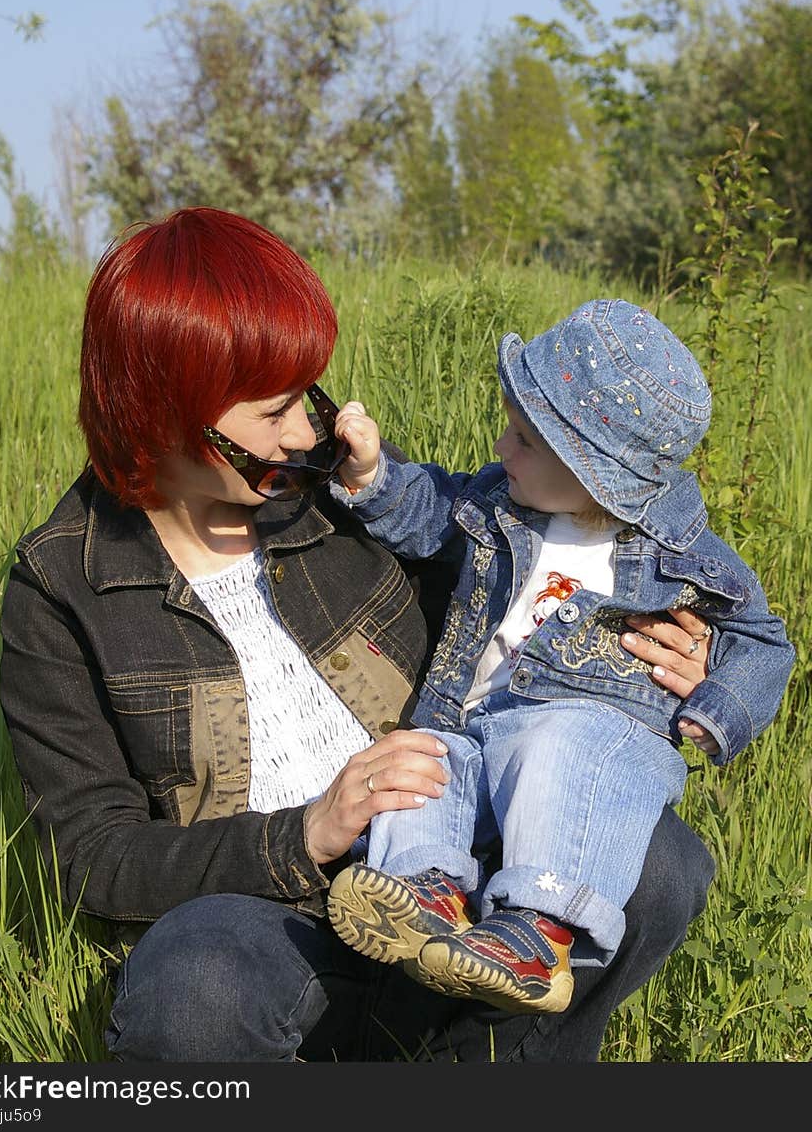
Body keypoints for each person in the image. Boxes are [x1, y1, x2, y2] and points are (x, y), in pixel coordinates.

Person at [0, 214, 715, 1063]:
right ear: (163, 415)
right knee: (193, 987)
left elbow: (516, 612)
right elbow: (94, 859)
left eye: (308, 393)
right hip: (271, 920)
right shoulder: (63, 585)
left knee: (660, 860)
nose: (307, 432)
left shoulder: (342, 493)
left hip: (451, 872)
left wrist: (650, 650)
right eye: (273, 412)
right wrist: (307, 832)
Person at [326, 298, 794, 1015]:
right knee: (421, 756)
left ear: (593, 471)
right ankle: (425, 895)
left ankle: (535, 934)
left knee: (562, 742)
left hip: (591, 744)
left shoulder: (680, 561)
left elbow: (763, 638)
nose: (502, 446)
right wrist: (370, 478)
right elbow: (431, 510)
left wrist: (716, 704)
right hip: (474, 722)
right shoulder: (502, 504)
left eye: (524, 439)